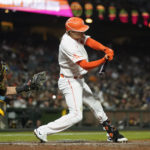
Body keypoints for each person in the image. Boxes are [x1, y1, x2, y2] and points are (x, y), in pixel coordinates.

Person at [34, 17, 128, 143]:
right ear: (69, 31)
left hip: (78, 80)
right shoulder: (67, 43)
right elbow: (85, 65)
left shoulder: (76, 35)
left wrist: (104, 49)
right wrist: (103, 59)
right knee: (76, 115)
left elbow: (89, 41)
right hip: (69, 81)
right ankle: (43, 130)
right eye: (79, 31)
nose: (82, 33)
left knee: (95, 104)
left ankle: (111, 133)